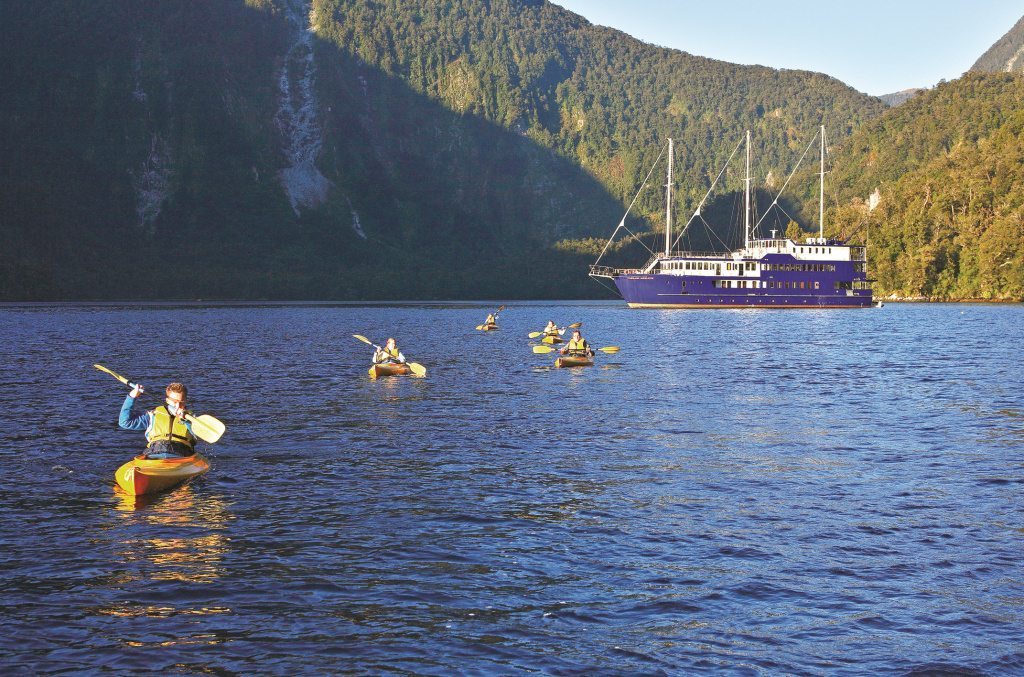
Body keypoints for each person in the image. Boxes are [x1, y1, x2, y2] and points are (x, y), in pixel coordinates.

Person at [119, 382, 196, 458]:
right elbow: (125, 422)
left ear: (185, 401)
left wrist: (185, 420)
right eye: (175, 402)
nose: (178, 406)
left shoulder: (192, 419)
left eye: (181, 402)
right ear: (167, 400)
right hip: (155, 451)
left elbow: (199, 435)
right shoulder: (153, 415)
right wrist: (132, 397)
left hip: (182, 453)